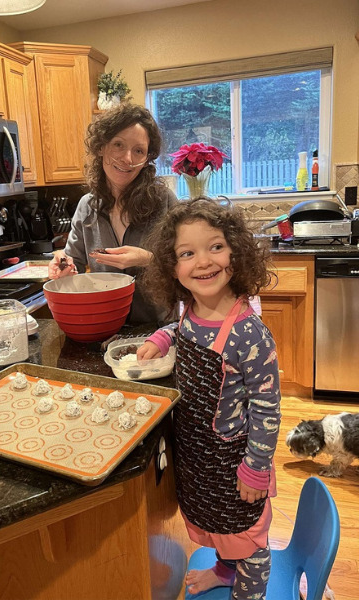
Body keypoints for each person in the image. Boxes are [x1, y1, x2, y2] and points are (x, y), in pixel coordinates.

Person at [136, 199, 280, 599]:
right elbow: (184, 330)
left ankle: (247, 592)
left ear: (237, 250)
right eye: (187, 253)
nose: (203, 261)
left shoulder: (249, 333)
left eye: (215, 246)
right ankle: (223, 570)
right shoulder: (190, 310)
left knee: (248, 541)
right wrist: (164, 335)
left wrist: (256, 467)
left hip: (237, 462)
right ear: (173, 269)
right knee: (219, 529)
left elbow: (268, 408)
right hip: (201, 457)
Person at [47, 103, 179, 324]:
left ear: (147, 158)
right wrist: (63, 264)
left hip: (159, 331)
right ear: (101, 147)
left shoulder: (164, 202)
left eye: (138, 150)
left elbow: (186, 265)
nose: (127, 158)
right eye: (118, 144)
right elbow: (74, 263)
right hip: (104, 327)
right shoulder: (86, 207)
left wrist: (148, 259)